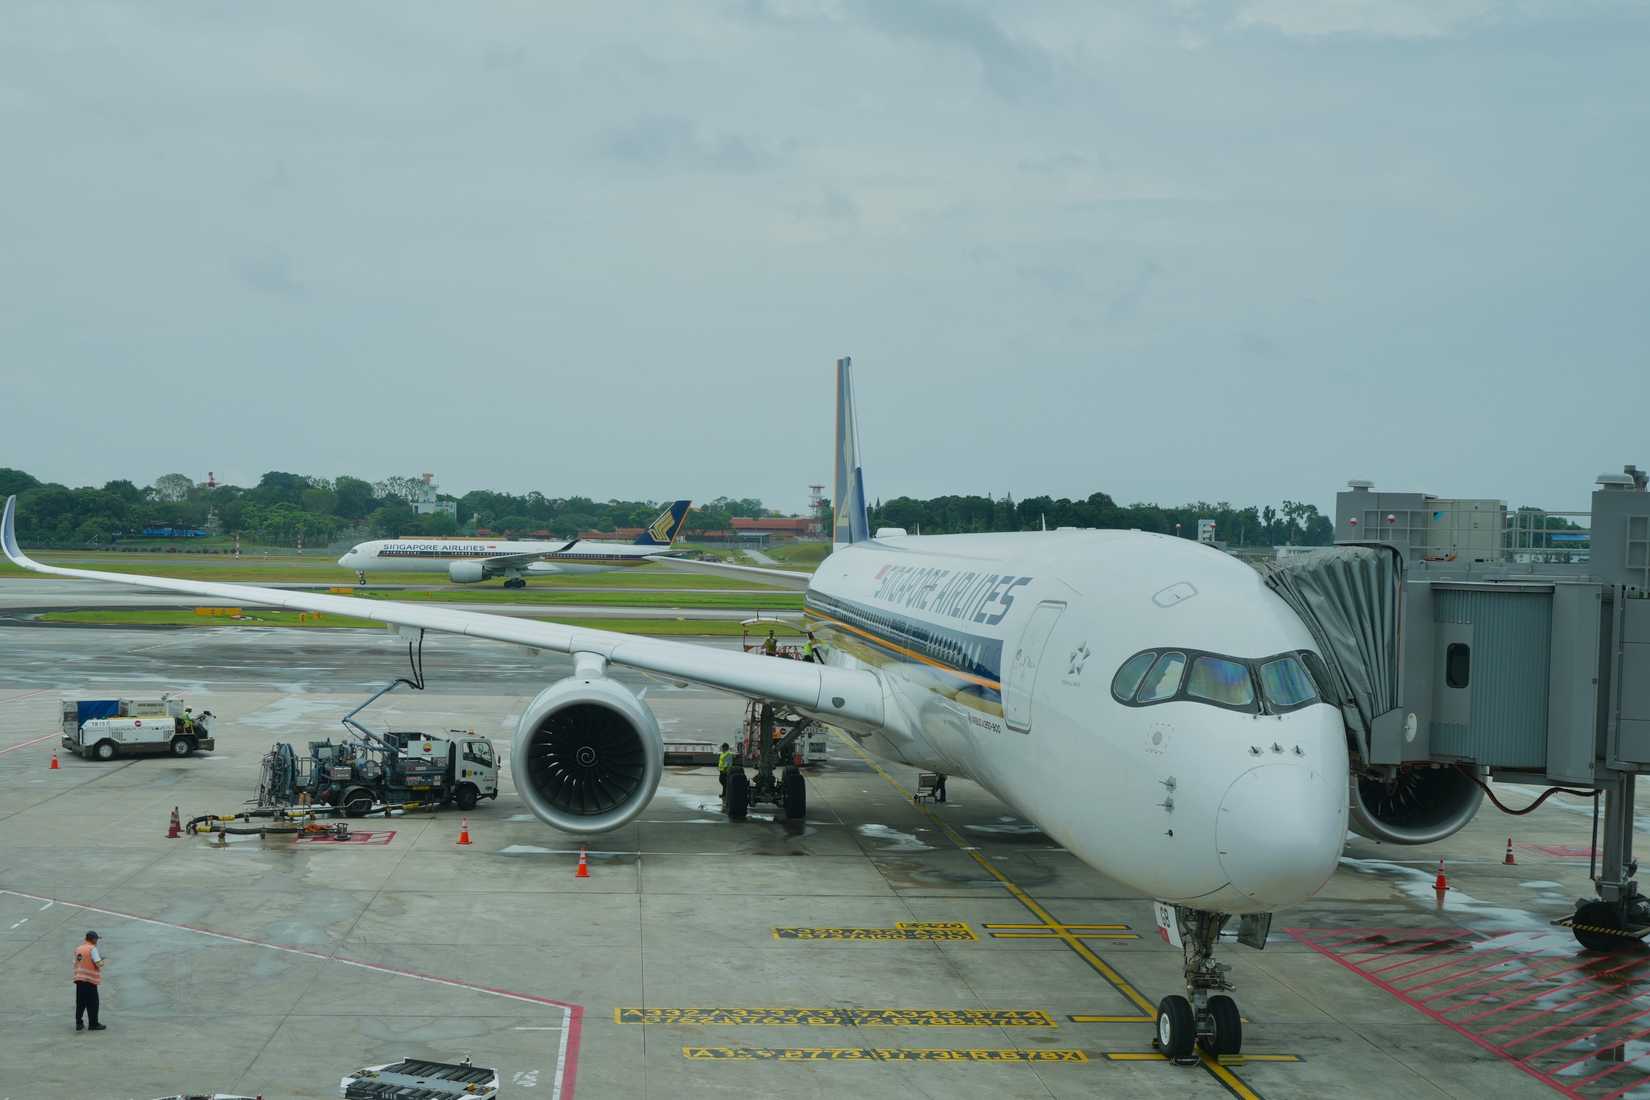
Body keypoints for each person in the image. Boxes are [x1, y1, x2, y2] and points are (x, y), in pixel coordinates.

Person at [73, 930, 105, 1032]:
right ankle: (93, 1024)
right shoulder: (92, 949)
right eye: (96, 939)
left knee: (80, 1002)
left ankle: (79, 1023)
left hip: (79, 979)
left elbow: (76, 962)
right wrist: (102, 960)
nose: (97, 941)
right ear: (93, 939)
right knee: (93, 1003)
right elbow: (98, 964)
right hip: (89, 980)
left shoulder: (78, 949)